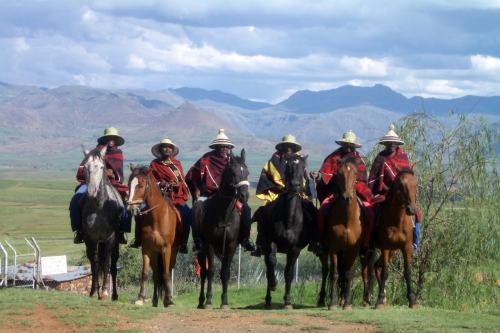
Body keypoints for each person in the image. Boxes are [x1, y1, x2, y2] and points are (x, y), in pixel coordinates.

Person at [185, 129, 256, 253]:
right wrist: (196, 190)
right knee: (196, 208)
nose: (224, 148)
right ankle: (197, 240)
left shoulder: (232, 161)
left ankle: (245, 239)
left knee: (247, 209)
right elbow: (191, 176)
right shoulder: (206, 159)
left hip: (229, 196)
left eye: (226, 146)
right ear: (216, 147)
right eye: (221, 146)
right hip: (209, 194)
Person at [252, 134, 321, 256]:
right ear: (282, 147)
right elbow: (267, 177)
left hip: (297, 193)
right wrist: (282, 188)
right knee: (263, 212)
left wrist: (310, 180)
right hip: (277, 193)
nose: (289, 148)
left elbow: (303, 179)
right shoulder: (273, 161)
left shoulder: (299, 161)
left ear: (295, 148)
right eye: (286, 146)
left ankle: (314, 241)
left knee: (312, 211)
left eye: (291, 146)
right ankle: (260, 243)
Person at [311, 130, 375, 251]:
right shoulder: (333, 157)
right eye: (346, 145)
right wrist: (318, 176)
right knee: (321, 212)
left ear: (354, 146)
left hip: (356, 194)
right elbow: (325, 175)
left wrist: (353, 186)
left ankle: (367, 244)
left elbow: (363, 179)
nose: (349, 148)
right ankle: (320, 241)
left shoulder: (358, 160)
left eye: (351, 145)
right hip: (335, 192)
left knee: (370, 214)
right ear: (342, 145)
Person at [69, 127, 130, 244]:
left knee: (127, 204)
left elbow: (119, 174)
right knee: (75, 199)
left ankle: (122, 231)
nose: (111, 140)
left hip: (113, 183)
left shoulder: (118, 154)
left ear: (116, 140)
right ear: (105, 139)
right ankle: (79, 230)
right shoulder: (94, 153)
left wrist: (110, 174)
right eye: (109, 138)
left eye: (114, 138)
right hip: (91, 181)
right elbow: (83, 168)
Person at [130, 138, 192, 253]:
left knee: (187, 213)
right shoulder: (154, 164)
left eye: (169, 147)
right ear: (160, 149)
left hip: (175, 197)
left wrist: (177, 184)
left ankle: (183, 243)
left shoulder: (176, 164)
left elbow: (182, 181)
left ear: (172, 150)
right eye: (164, 147)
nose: (167, 149)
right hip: (159, 196)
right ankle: (138, 239)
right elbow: (150, 181)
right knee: (140, 213)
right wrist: (161, 184)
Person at [368, 124, 421, 250]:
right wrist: (386, 189)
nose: (391, 144)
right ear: (385, 144)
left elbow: (408, 178)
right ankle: (371, 238)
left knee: (417, 213)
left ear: (397, 144)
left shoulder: (403, 156)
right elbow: (374, 178)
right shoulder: (380, 158)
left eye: (394, 142)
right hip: (384, 193)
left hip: (402, 194)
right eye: (389, 142)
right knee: (373, 211)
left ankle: (415, 242)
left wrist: (403, 192)